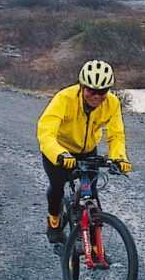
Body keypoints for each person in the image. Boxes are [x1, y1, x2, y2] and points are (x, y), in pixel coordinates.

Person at [36, 60, 132, 244]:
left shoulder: (112, 103)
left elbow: (116, 135)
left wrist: (119, 158)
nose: (96, 96)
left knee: (91, 193)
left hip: (88, 151)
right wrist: (58, 153)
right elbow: (45, 131)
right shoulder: (65, 98)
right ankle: (54, 222)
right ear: (82, 86)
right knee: (57, 187)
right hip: (59, 150)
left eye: (102, 91)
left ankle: (95, 244)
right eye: (91, 90)